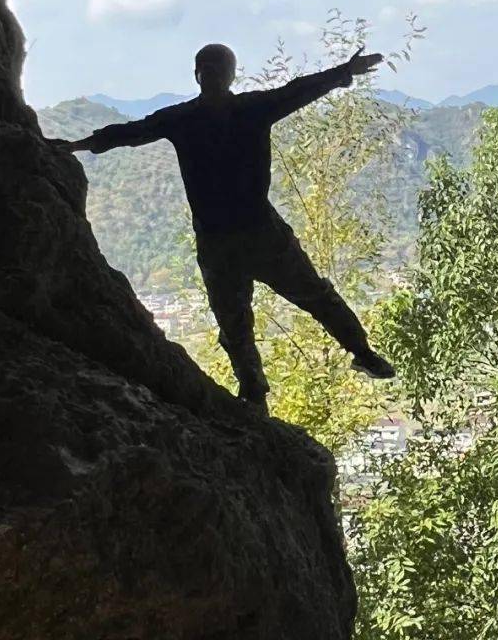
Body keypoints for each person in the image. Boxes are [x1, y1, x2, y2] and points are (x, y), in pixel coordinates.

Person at [47, 42, 396, 410]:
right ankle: (334, 363)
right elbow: (296, 91)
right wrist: (344, 72)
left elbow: (129, 133)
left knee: (242, 322)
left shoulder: (191, 117)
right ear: (219, 75)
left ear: (211, 75)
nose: (211, 75)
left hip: (226, 240)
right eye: (208, 68)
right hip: (255, 234)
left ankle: (264, 389)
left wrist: (76, 145)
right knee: (285, 307)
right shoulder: (246, 110)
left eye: (213, 68)